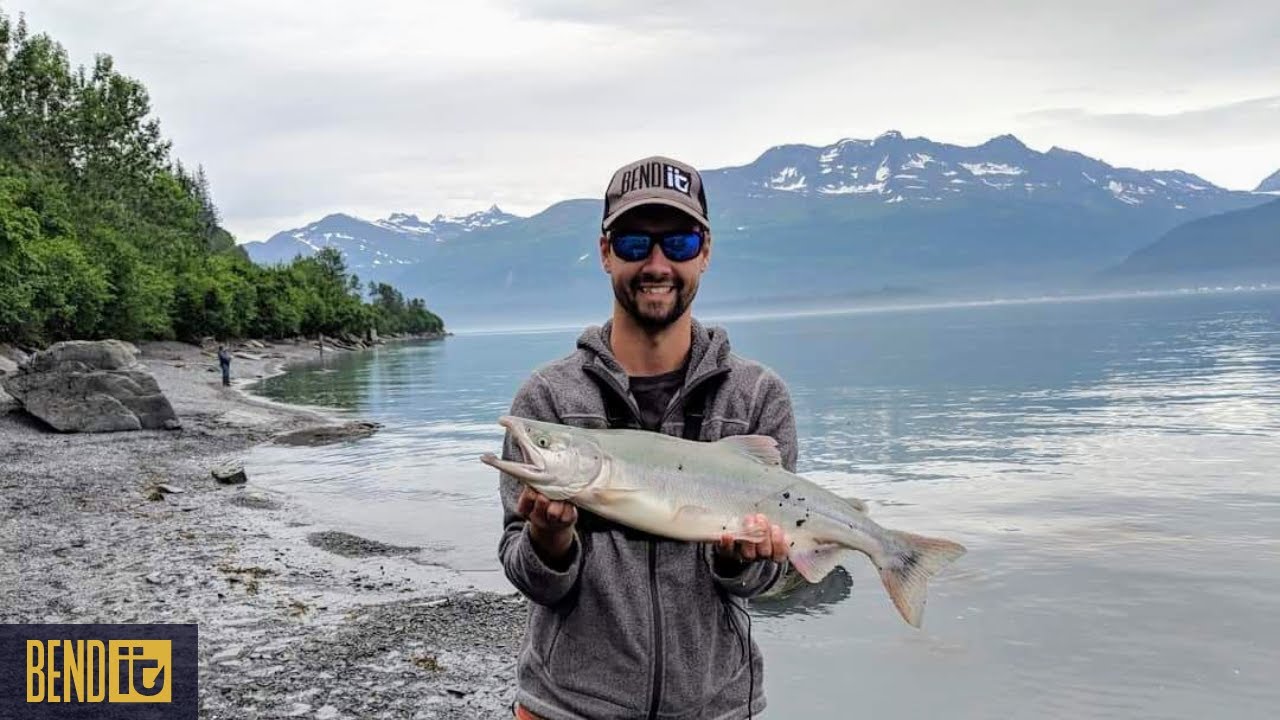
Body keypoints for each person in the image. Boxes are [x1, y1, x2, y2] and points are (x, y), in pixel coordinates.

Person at [496, 156, 799, 719]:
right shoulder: (548, 400)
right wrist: (548, 542)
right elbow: (530, 577)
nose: (657, 264)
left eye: (678, 243)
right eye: (636, 244)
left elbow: (758, 584)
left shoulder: (757, 399)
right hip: (565, 709)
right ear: (606, 252)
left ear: (704, 252)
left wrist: (745, 562)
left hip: (717, 707)